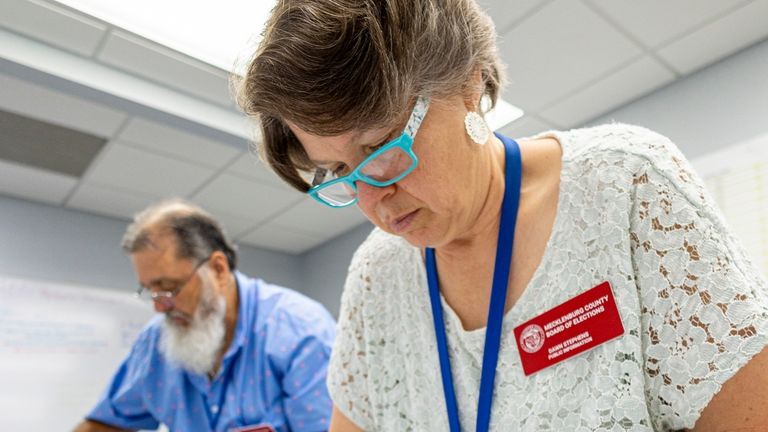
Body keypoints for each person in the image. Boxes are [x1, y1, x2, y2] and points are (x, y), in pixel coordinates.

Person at [235, 1, 768, 431]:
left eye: (381, 152)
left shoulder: (624, 186)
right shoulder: (377, 276)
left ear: (467, 84)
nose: (374, 200)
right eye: (340, 172)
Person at [74, 199, 336, 432]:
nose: (159, 307)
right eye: (150, 291)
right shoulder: (156, 341)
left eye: (169, 288)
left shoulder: (301, 333)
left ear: (218, 269)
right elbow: (106, 423)